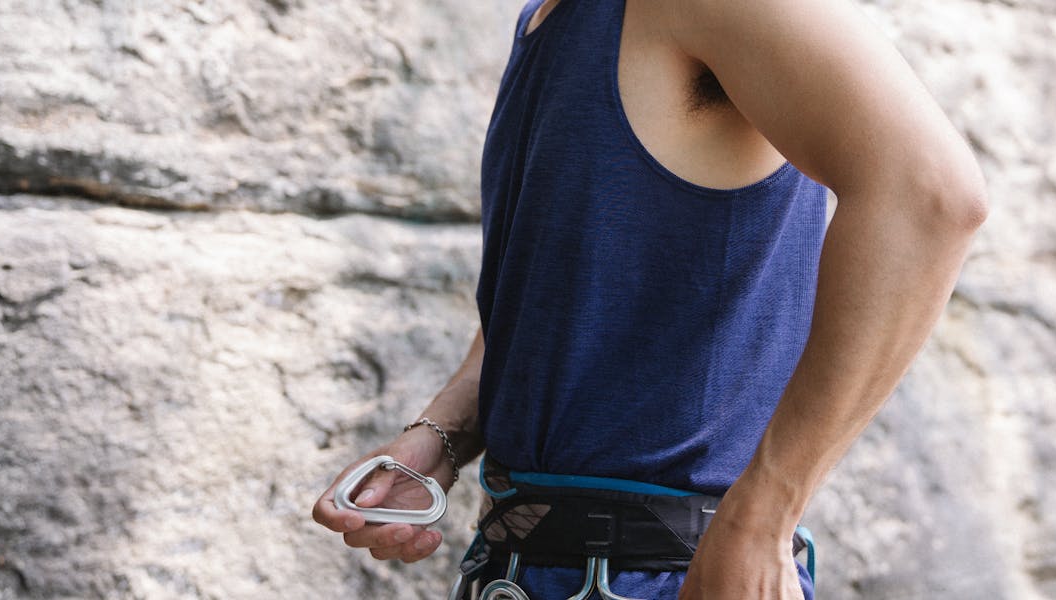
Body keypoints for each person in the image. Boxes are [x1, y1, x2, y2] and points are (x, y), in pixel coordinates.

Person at [314, 0, 987, 597]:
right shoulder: (549, 17)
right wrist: (443, 434)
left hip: (677, 579)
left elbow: (930, 195)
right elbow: (554, 300)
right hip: (514, 568)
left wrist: (764, 518)